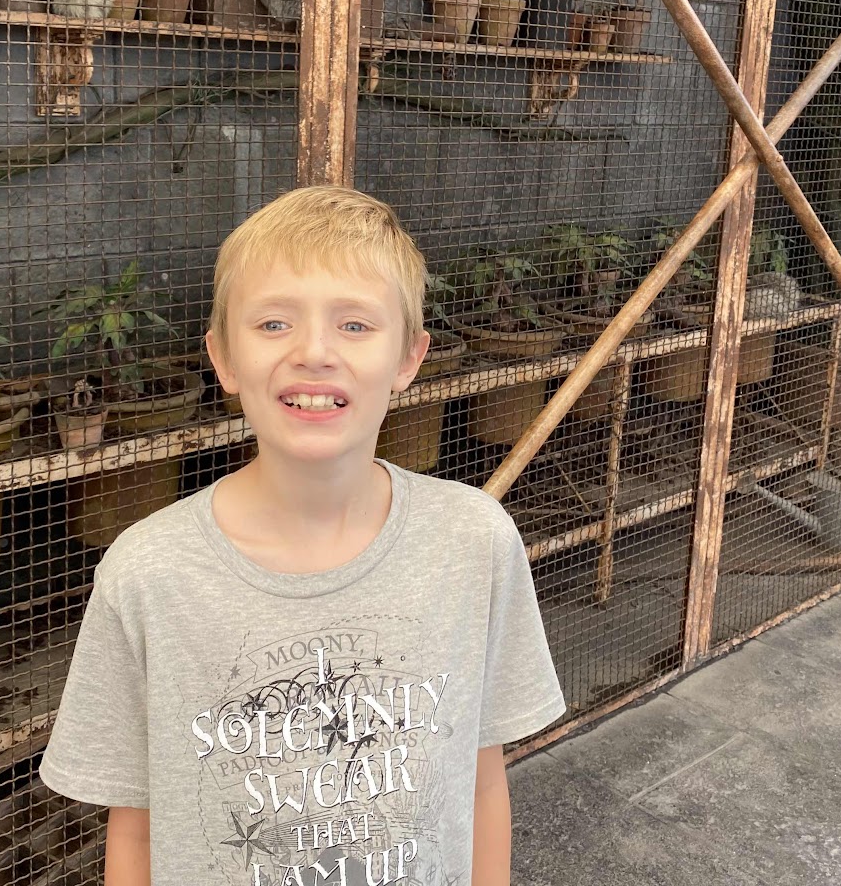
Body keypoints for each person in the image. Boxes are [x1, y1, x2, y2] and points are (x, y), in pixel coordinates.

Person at [40, 185, 565, 886]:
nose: (314, 352)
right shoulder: (148, 575)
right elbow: (135, 831)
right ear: (224, 358)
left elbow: (482, 782)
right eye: (273, 323)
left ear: (409, 358)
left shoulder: (474, 543)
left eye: (355, 324)